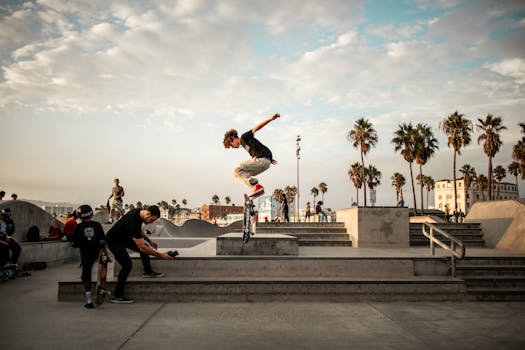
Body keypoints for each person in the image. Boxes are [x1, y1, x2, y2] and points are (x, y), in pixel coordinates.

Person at [106, 205, 173, 304]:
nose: (151, 222)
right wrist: (162, 256)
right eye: (151, 220)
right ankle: (117, 295)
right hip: (114, 241)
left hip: (124, 237)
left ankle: (148, 272)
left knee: (145, 245)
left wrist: (149, 241)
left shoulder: (139, 213)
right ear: (148, 214)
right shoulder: (134, 220)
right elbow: (142, 248)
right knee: (127, 265)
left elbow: (139, 230)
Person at [223, 113, 280, 198]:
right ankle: (256, 188)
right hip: (265, 162)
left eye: (231, 145)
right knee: (244, 174)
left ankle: (256, 185)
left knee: (237, 170)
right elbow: (259, 148)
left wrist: (270, 119)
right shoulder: (246, 145)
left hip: (262, 160)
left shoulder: (244, 137)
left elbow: (256, 128)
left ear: (233, 139)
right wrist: (270, 159)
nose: (233, 147)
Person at [71, 205, 107, 309]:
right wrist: (103, 249)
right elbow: (103, 240)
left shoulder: (78, 227)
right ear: (91, 214)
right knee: (87, 274)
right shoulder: (97, 225)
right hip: (97, 253)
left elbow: (74, 243)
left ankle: (89, 300)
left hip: (86, 255)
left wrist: (79, 243)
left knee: (87, 275)